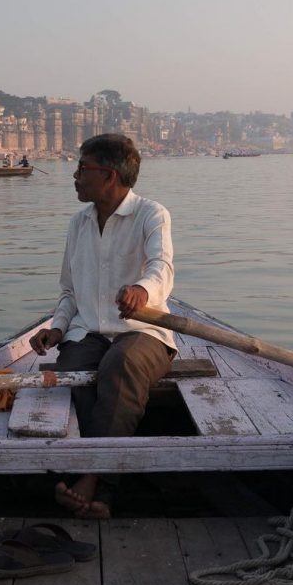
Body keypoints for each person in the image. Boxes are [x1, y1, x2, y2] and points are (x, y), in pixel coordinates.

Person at [30, 133, 175, 519]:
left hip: (144, 332)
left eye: (82, 168)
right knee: (71, 369)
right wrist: (58, 328)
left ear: (110, 176)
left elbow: (162, 268)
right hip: (88, 331)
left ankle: (92, 478)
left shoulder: (151, 214)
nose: (75, 176)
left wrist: (142, 291)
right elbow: (68, 290)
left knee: (121, 365)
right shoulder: (78, 224)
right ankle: (100, 490)